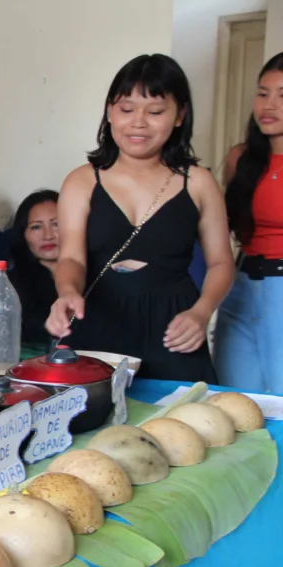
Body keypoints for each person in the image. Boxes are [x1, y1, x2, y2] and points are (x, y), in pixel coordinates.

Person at [46, 54, 234, 382]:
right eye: (127, 109)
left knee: (185, 424)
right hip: (99, 324)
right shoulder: (82, 181)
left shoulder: (199, 182)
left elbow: (221, 263)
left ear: (180, 116)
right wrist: (67, 292)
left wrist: (201, 313)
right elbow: (72, 257)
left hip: (176, 331)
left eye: (156, 111)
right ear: (109, 112)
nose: (138, 123)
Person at [214, 52, 283, 393]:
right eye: (263, 92)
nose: (269, 105)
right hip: (240, 286)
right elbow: (219, 227)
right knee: (233, 400)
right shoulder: (240, 158)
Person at [7, 190, 60, 359]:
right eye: (36, 227)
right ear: (23, 234)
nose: (48, 236)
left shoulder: (96, 277)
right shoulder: (12, 287)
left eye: (56, 224)